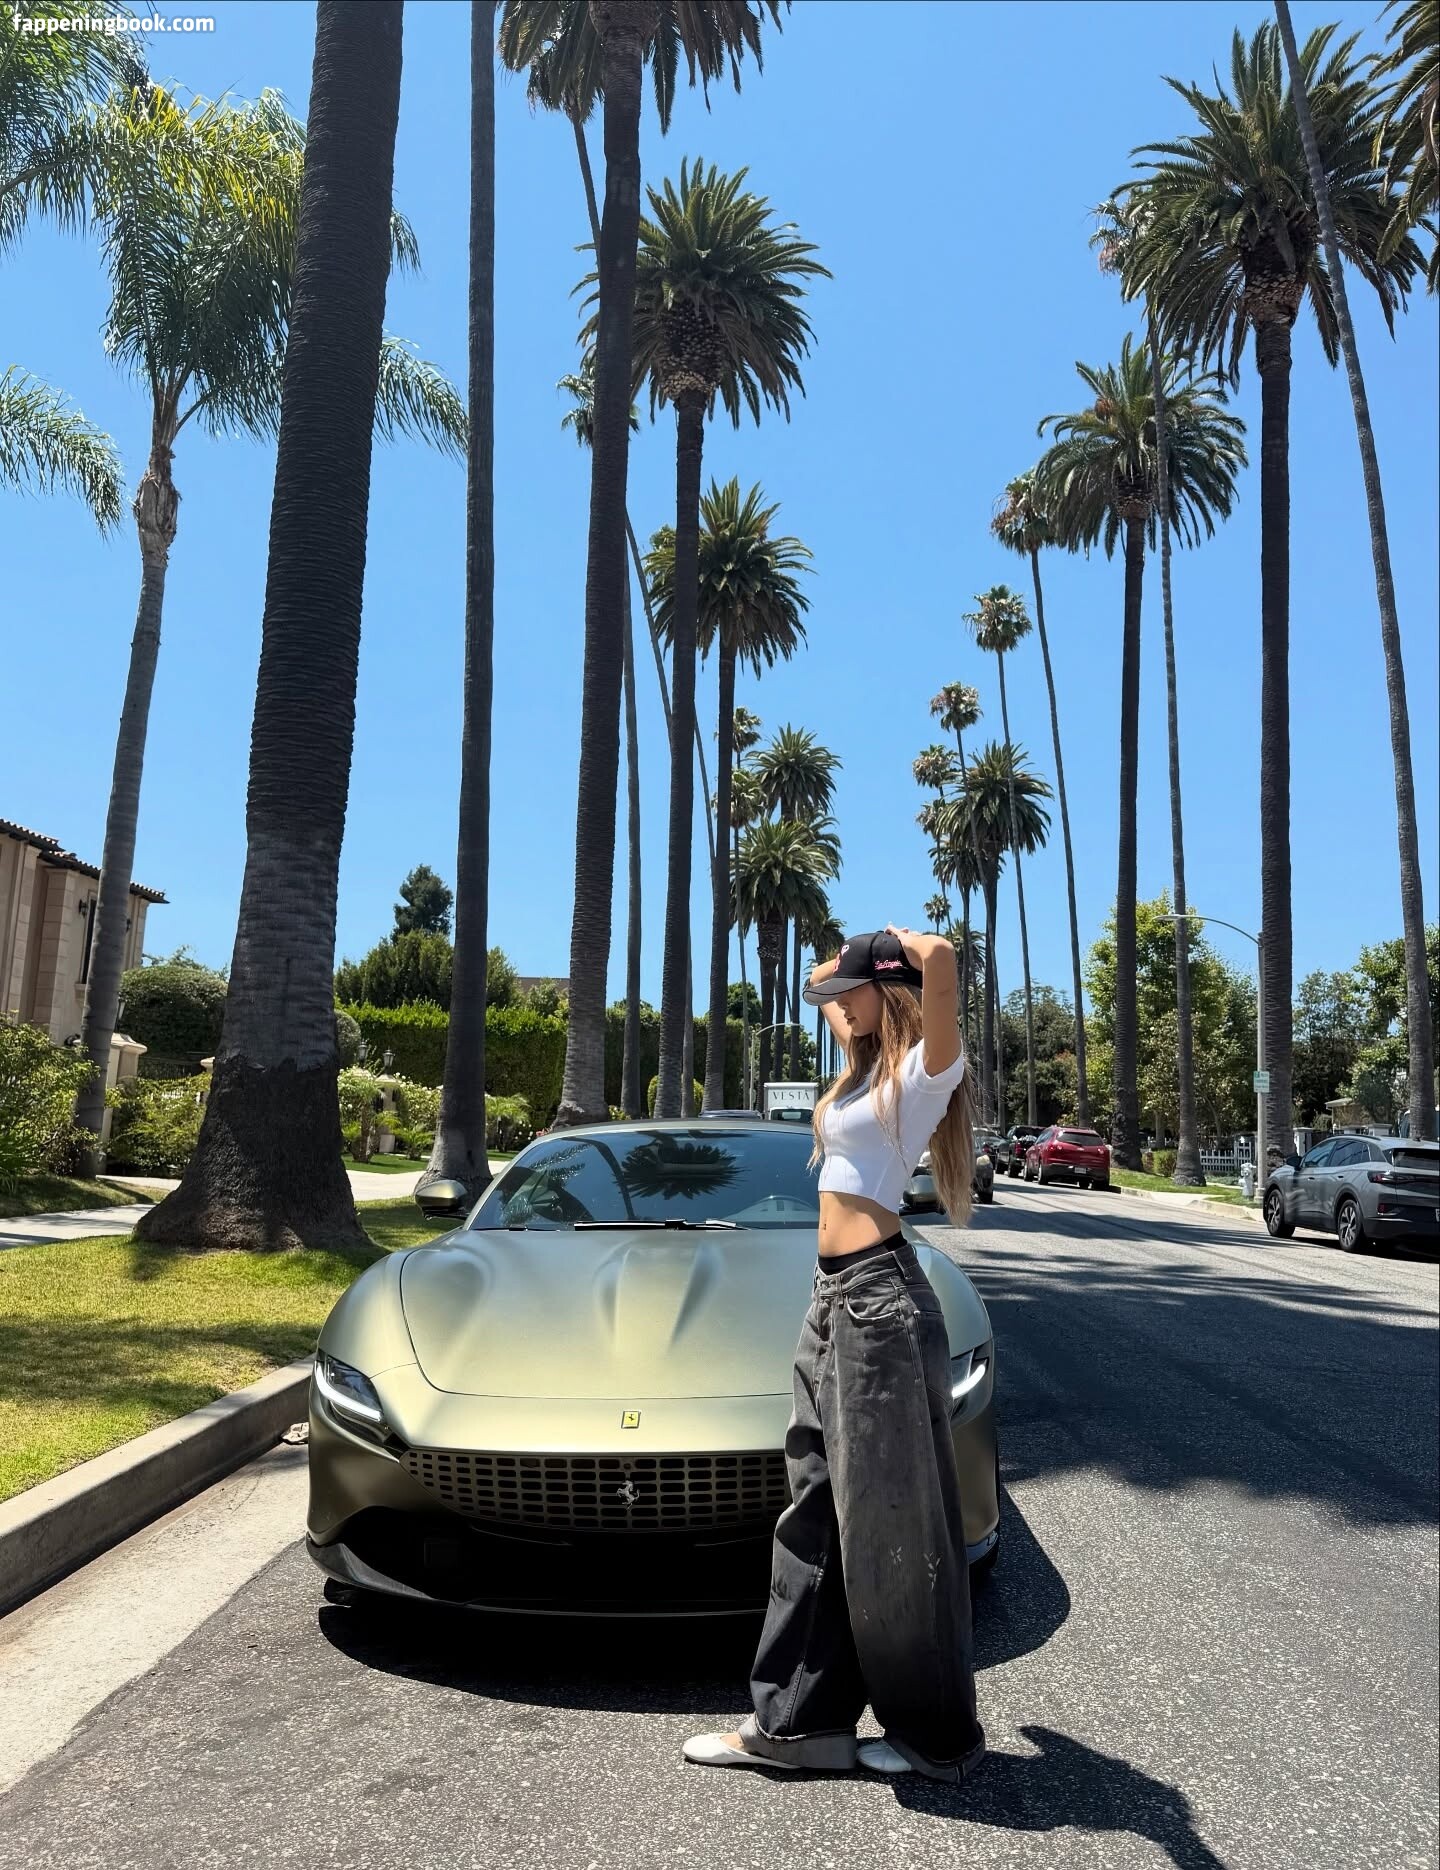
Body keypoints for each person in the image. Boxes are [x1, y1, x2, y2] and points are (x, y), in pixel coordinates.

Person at [684, 925, 986, 1783]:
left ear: (885, 993)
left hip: (881, 1302)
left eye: (856, 993)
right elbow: (823, 979)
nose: (838, 1005)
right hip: (832, 1299)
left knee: (892, 1524)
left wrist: (892, 943)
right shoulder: (859, 1071)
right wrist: (851, 964)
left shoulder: (922, 1074)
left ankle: (934, 1735)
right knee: (813, 1510)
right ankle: (798, 1725)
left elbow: (941, 964)